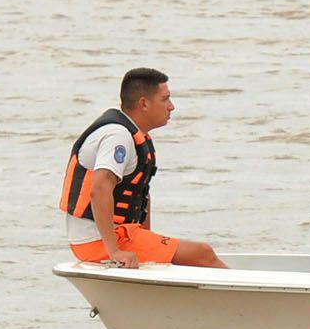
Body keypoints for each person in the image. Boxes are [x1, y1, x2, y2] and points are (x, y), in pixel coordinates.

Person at [60, 67, 226, 269]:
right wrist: (115, 252)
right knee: (202, 253)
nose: (171, 107)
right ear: (144, 103)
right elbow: (99, 189)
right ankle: (243, 299)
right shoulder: (118, 137)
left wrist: (149, 241)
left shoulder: (135, 135)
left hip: (117, 235)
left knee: (189, 254)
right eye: (165, 99)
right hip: (98, 242)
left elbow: (140, 193)